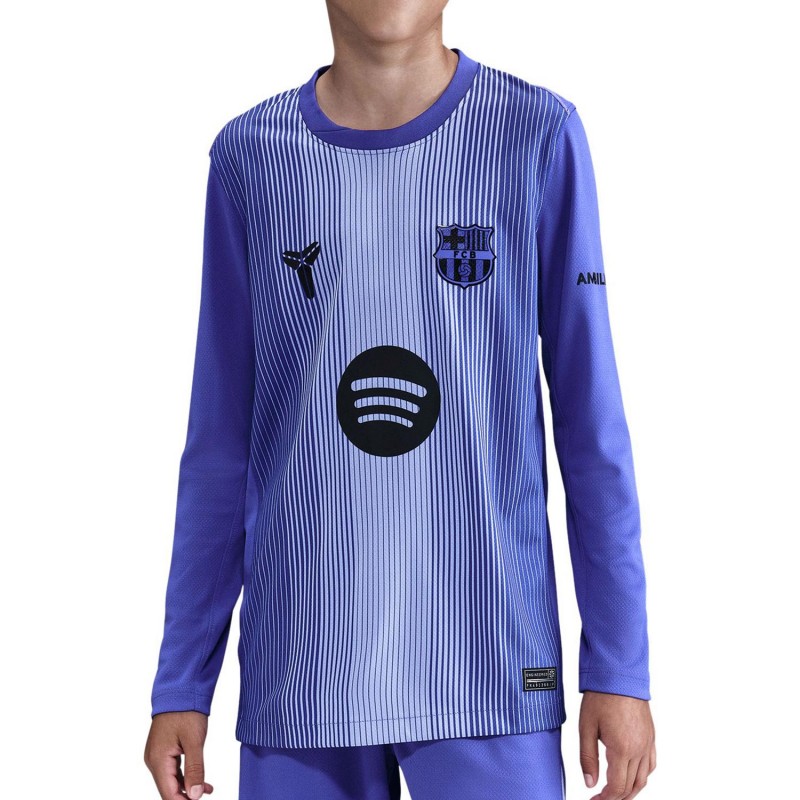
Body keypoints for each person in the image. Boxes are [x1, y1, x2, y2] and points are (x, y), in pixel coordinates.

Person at [143, 2, 656, 798]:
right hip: (302, 674)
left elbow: (591, 427)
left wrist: (618, 667)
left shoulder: (535, 134)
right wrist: (184, 679)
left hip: (490, 667)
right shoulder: (250, 157)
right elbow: (220, 444)